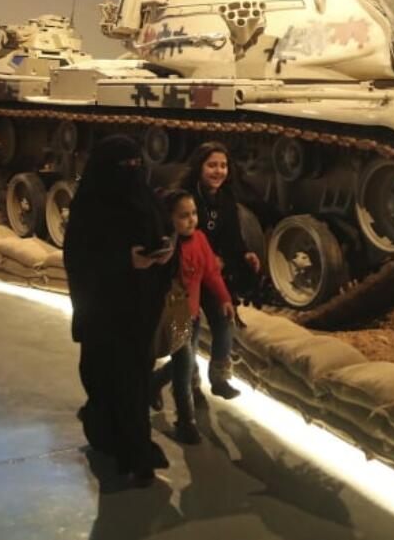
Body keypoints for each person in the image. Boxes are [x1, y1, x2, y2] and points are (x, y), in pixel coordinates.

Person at [63, 136, 173, 485]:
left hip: (139, 312)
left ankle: (132, 449)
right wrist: (124, 262)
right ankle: (123, 447)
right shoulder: (90, 207)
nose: (131, 172)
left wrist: (167, 253)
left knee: (134, 384)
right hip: (104, 314)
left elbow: (163, 231)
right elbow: (79, 259)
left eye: (135, 164)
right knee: (108, 380)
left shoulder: (146, 199)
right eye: (123, 167)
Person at [181, 141, 262, 401]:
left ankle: (220, 377)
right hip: (190, 274)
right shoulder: (184, 197)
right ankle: (189, 382)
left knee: (223, 322)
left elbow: (232, 234)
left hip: (216, 273)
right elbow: (179, 234)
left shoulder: (225, 197)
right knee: (189, 332)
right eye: (212, 165)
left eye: (223, 165)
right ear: (199, 167)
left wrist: (243, 253)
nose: (219, 171)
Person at [149, 190, 233, 444]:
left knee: (183, 362)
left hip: (192, 315)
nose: (191, 220)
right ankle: (185, 421)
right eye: (183, 216)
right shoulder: (166, 245)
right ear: (170, 218)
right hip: (174, 314)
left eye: (194, 213)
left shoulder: (200, 240)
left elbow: (211, 274)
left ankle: (154, 381)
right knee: (185, 367)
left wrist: (224, 299)